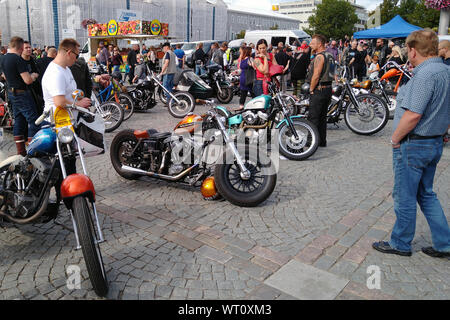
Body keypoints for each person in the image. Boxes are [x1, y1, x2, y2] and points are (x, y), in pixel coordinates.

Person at [372, 29, 450, 258]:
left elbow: (413, 114)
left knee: (404, 195)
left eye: (408, 50)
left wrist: (395, 138)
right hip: (433, 142)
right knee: (426, 193)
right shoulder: (445, 71)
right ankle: (444, 243)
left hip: (415, 144)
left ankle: (400, 243)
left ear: (413, 50)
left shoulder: (425, 75)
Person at [41, 38, 91, 175]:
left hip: (67, 123)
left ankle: (71, 193)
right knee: (62, 165)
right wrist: (79, 104)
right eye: (76, 55)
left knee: (69, 162)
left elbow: (69, 92)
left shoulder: (65, 69)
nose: (77, 59)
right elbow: (59, 101)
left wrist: (78, 96)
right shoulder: (55, 72)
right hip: (57, 124)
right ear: (69, 52)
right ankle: (63, 195)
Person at [0, 36, 40, 155]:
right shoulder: (18, 59)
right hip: (22, 93)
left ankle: (21, 152)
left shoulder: (3, 58)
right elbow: (27, 80)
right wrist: (33, 76)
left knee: (19, 121)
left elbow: (5, 77)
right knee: (34, 120)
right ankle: (33, 151)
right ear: (21, 47)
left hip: (12, 92)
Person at [305, 34, 334, 148]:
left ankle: (310, 142)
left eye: (312, 43)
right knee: (322, 117)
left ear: (319, 44)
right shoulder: (330, 56)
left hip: (319, 89)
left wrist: (311, 89)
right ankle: (322, 141)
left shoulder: (320, 57)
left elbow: (316, 75)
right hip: (328, 89)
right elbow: (332, 73)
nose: (310, 44)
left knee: (313, 117)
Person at [22, 41, 44, 115]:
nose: (28, 49)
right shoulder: (19, 61)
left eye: (29, 47)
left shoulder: (32, 60)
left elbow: (37, 72)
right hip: (24, 91)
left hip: (35, 89)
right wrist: (31, 76)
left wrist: (33, 76)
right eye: (26, 48)